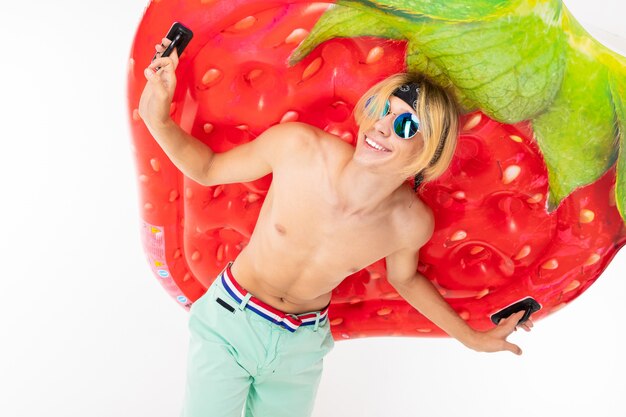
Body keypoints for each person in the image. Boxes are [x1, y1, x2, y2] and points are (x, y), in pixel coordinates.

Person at [139, 38, 534, 417]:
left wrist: (472, 337)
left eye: (406, 125)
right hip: (230, 322)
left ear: (429, 153)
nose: (381, 127)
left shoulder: (410, 222)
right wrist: (157, 117)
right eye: (383, 109)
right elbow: (208, 169)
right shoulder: (298, 148)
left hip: (301, 347)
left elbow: (407, 279)